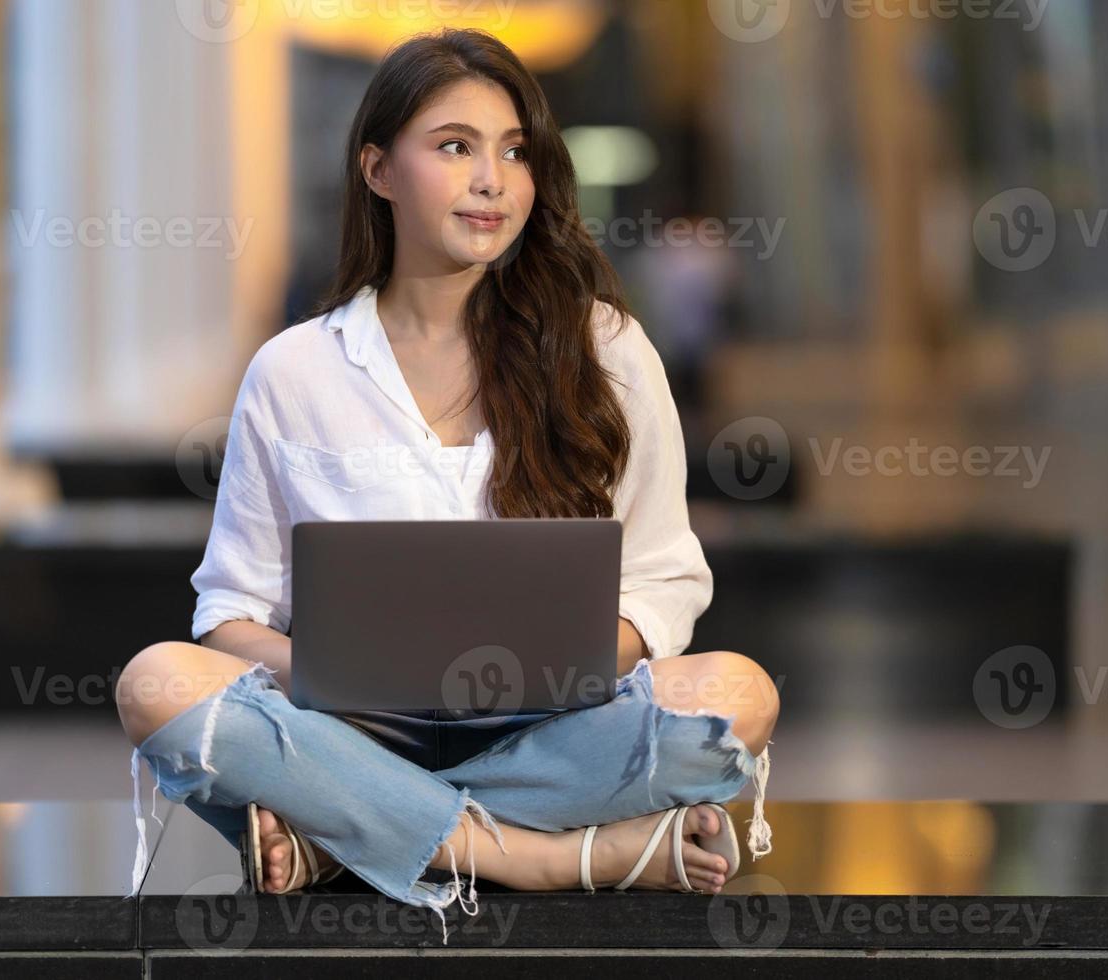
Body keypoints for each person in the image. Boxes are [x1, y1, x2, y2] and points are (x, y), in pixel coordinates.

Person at [115, 28, 778, 942]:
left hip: (552, 731)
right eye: (456, 146)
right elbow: (229, 612)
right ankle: (541, 856)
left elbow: (665, 578)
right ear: (379, 170)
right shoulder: (296, 370)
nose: (492, 180)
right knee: (156, 683)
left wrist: (581, 658)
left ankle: (343, 837)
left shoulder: (607, 351)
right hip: (350, 730)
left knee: (737, 694)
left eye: (514, 151)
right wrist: (333, 678)